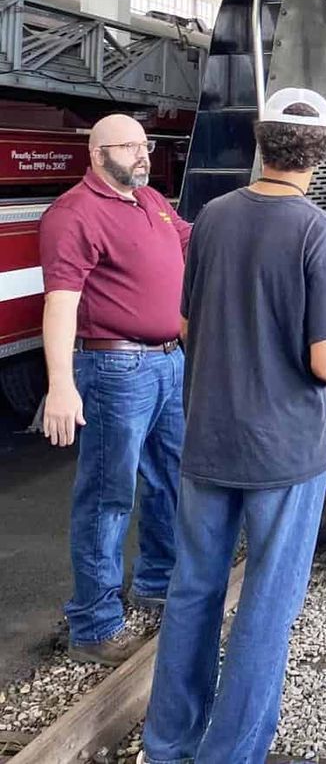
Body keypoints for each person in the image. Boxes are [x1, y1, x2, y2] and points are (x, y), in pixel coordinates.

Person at [139, 89, 326, 764]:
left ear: (262, 143)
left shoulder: (211, 218)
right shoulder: (317, 229)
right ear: (318, 154)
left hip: (208, 438)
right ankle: (229, 754)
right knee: (266, 604)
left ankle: (169, 743)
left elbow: (183, 324)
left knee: (193, 589)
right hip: (284, 451)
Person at [39, 114, 189, 666]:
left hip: (168, 364)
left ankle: (157, 583)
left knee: (168, 480)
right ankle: (95, 625)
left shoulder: (150, 201)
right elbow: (61, 303)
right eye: (129, 147)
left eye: (145, 145)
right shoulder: (73, 215)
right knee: (107, 496)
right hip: (113, 372)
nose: (142, 154)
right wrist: (61, 386)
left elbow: (191, 243)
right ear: (98, 153)